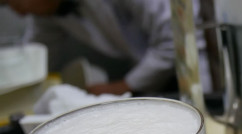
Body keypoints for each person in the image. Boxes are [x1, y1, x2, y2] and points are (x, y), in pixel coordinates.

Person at [6, 0, 180, 95]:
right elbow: (34, 60)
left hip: (191, 71)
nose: (21, 14)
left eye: (18, 4)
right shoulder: (47, 15)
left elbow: (175, 40)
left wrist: (123, 86)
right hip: (153, 77)